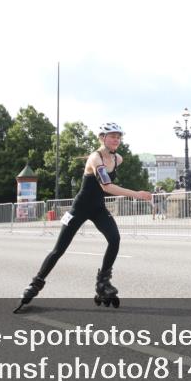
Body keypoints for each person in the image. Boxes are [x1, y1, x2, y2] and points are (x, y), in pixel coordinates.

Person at [14, 122, 152, 312]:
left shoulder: (118, 158)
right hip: (79, 208)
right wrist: (137, 194)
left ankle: (103, 283)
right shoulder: (95, 159)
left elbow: (105, 187)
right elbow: (106, 186)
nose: (117, 140)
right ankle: (35, 284)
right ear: (102, 138)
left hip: (98, 208)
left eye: (119, 137)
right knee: (59, 250)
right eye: (113, 136)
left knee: (114, 239)